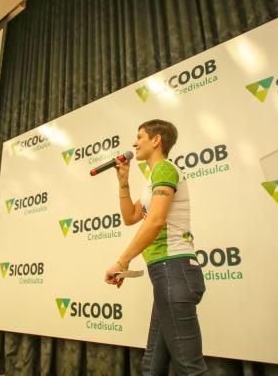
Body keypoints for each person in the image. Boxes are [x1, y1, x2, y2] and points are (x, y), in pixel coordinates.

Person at [105, 119, 207, 376]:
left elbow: (155, 220)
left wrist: (122, 261)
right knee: (152, 366)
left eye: (139, 136)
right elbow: (130, 217)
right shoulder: (154, 178)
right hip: (166, 274)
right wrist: (123, 182)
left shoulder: (164, 169)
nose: (134, 143)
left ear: (156, 140)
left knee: (190, 369)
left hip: (175, 271)